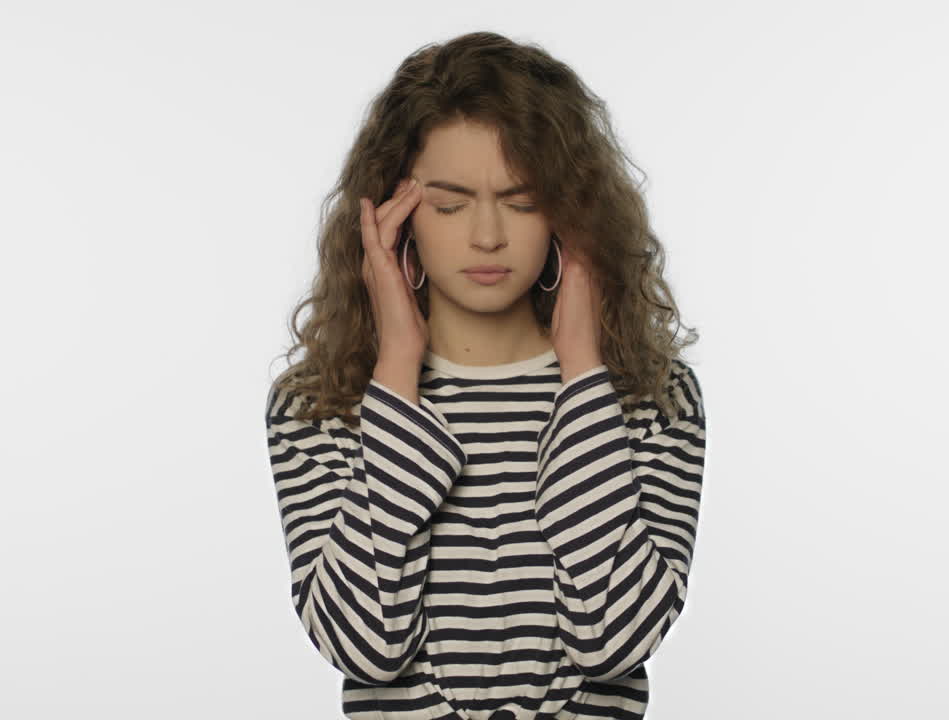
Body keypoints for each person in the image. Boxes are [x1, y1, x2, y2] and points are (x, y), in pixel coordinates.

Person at [265, 31, 707, 720]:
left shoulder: (654, 397)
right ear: (393, 215)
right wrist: (395, 375)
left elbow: (619, 638)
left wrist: (585, 374)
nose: (488, 236)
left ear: (571, 212)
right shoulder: (319, 407)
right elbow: (363, 648)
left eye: (523, 201)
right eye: (449, 205)